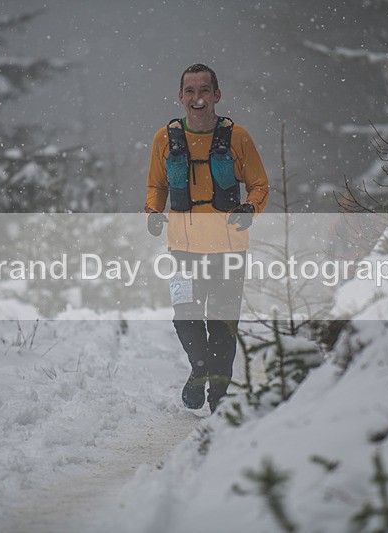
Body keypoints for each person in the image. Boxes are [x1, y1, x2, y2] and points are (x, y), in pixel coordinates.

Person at [144, 63, 269, 413]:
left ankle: (218, 400)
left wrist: (249, 210)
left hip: (229, 249)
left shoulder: (238, 137)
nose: (196, 98)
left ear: (217, 95)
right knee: (185, 316)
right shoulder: (164, 139)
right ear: (180, 97)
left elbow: (260, 185)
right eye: (189, 91)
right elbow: (156, 185)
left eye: (203, 91)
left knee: (223, 327)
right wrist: (152, 212)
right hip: (182, 247)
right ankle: (200, 369)